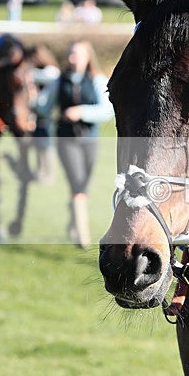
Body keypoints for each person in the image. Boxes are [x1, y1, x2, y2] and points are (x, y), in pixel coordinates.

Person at [36, 40, 113, 249]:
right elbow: (44, 107)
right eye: (70, 54)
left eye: (76, 54)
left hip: (90, 140)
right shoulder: (58, 81)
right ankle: (83, 236)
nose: (72, 58)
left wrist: (81, 112)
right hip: (66, 140)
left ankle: (73, 220)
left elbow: (107, 111)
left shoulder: (97, 80)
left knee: (82, 185)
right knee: (78, 184)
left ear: (87, 57)